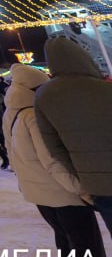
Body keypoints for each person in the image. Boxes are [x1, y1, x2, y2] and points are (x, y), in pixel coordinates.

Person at [5, 63, 111, 257]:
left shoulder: (12, 113)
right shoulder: (34, 117)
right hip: (63, 194)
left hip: (41, 196)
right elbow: (52, 161)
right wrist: (82, 190)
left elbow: (13, 157)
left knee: (67, 244)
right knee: (87, 250)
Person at [36, 36, 112, 236]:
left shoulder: (45, 96)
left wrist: (82, 176)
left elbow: (54, 147)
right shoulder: (106, 88)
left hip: (98, 185)